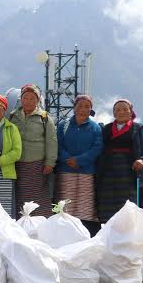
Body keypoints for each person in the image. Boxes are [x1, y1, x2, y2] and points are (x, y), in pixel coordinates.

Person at [97, 99, 143, 222]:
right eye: (117, 110)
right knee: (109, 212)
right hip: (109, 176)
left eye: (125, 109)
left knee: (131, 211)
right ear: (113, 114)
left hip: (131, 175)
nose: (121, 112)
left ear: (130, 112)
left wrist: (142, 160)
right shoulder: (106, 130)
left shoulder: (138, 129)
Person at [55, 95, 104, 235]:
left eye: (87, 106)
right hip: (65, 171)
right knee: (65, 204)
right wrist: (68, 159)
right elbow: (57, 145)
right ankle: (63, 234)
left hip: (86, 172)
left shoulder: (95, 128)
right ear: (74, 107)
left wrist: (79, 160)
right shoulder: (63, 125)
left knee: (85, 207)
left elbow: (97, 148)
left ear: (91, 109)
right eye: (80, 105)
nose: (83, 109)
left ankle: (85, 235)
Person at [10, 84, 57, 217]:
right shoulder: (14, 116)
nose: (29, 101)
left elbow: (52, 141)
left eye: (32, 98)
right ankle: (22, 222)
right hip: (18, 163)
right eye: (26, 98)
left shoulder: (44, 117)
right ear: (21, 99)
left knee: (38, 196)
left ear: (37, 100)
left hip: (37, 164)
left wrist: (50, 163)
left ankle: (39, 223)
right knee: (20, 195)